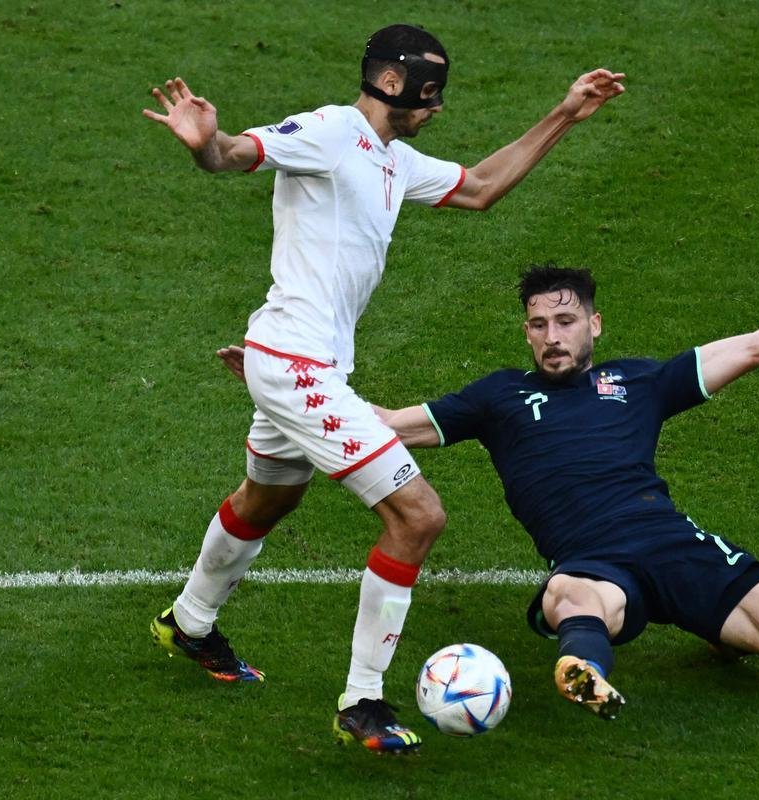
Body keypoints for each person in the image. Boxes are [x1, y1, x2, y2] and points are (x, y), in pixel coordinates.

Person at [142, 24, 624, 753]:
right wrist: (205, 142)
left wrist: (564, 113)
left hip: (307, 366)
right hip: (294, 363)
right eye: (430, 94)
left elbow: (483, 188)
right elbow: (235, 154)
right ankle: (361, 702)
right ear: (392, 84)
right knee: (419, 516)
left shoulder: (392, 159)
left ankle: (188, 621)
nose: (438, 108)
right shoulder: (331, 131)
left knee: (268, 497)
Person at [221, 262, 759, 719]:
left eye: (564, 322)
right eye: (537, 325)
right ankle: (584, 671)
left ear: (593, 324)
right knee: (571, 598)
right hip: (592, 562)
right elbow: (381, 425)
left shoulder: (639, 383)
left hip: (672, 541)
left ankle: (710, 626)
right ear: (525, 332)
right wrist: (279, 384)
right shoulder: (498, 398)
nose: (551, 337)